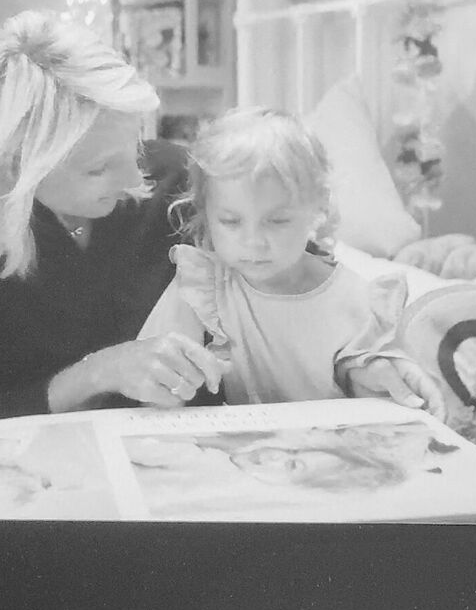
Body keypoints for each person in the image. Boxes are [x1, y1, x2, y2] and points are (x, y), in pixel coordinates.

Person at [0, 11, 228, 426]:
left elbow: (301, 276)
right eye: (98, 168)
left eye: (134, 146)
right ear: (18, 165)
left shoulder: (178, 181)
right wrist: (99, 372)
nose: (132, 179)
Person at [138, 105, 445, 416]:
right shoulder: (205, 282)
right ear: (205, 213)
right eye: (231, 221)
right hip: (250, 453)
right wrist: (170, 378)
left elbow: (373, 381)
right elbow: (156, 378)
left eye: (277, 221)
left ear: (317, 208)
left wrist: (378, 373)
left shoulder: (359, 299)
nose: (253, 241)